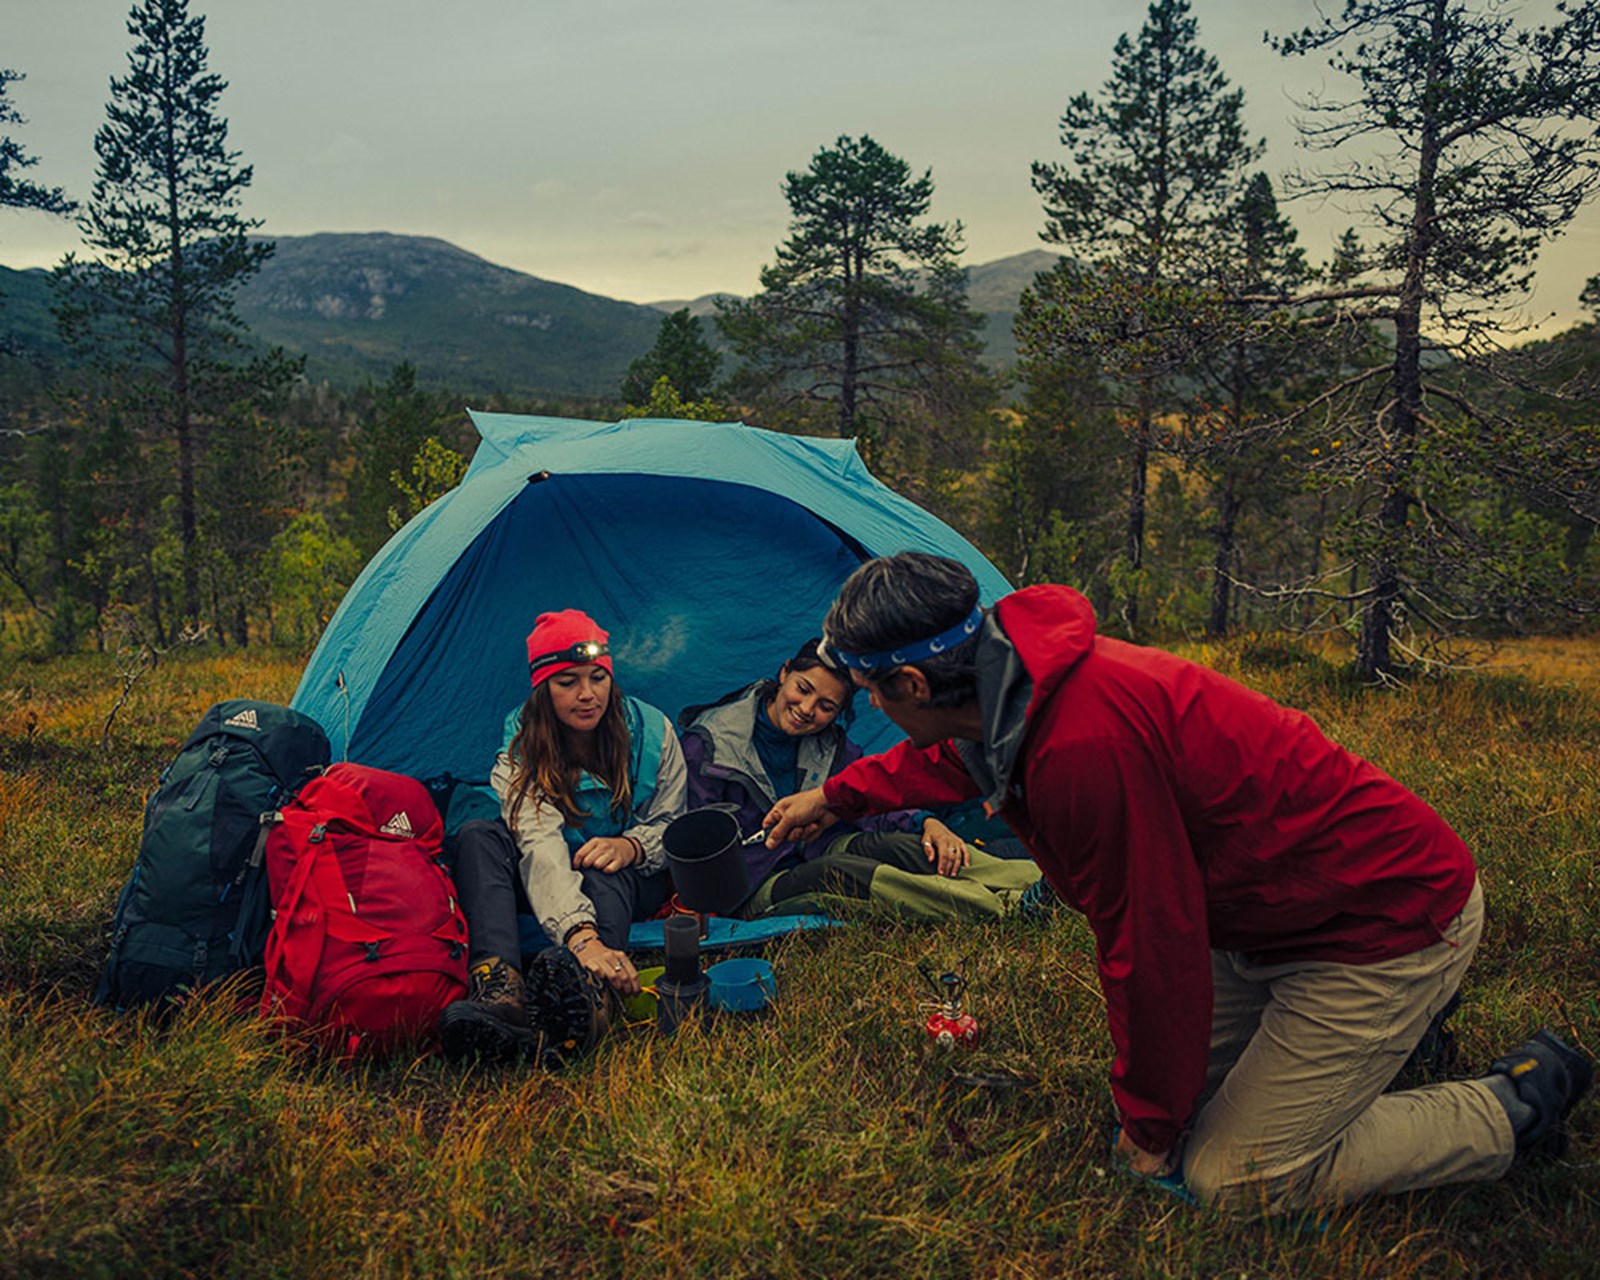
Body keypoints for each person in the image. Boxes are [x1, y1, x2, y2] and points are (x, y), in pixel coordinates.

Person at [763, 552, 1594, 1211]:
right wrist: (835, 797)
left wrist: (1149, 1131)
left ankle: (1513, 1108)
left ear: (911, 684)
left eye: (869, 692)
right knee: (1186, 1103)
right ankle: (1399, 1039)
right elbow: (950, 752)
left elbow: (1151, 948)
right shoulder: (1008, 682)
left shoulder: (1081, 748)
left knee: (1230, 1177)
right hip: (1271, 921)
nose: (867, 707)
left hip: (1383, 922)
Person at [440, 609, 685, 1065]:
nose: (587, 694)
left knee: (601, 866)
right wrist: (579, 934)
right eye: (567, 681)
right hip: (550, 876)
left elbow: (673, 827)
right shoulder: (520, 747)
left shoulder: (653, 733)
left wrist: (633, 845)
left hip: (626, 877)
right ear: (543, 688)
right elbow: (538, 842)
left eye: (597, 677)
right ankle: (500, 990)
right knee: (478, 836)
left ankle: (594, 995)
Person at [677, 638, 1040, 922]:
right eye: (803, 689)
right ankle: (1006, 907)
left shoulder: (830, 745)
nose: (807, 710)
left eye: (826, 706)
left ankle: (1042, 882)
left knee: (905, 847)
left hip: (819, 846)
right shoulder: (707, 749)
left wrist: (926, 822)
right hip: (752, 884)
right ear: (784, 672)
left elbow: (868, 797)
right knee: (846, 874)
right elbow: (693, 850)